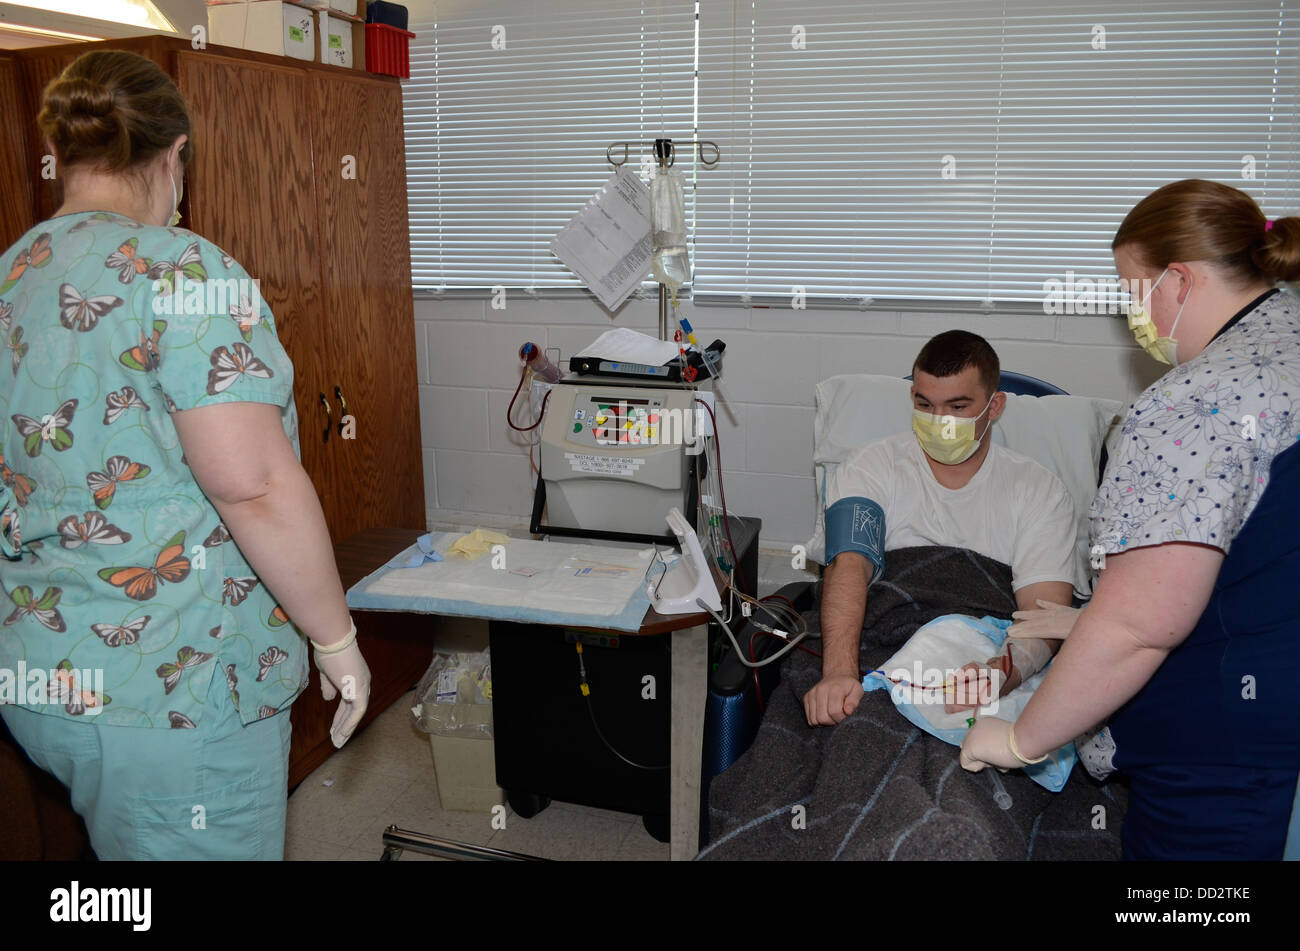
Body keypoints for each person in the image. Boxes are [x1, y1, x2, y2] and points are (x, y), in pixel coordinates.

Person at [0, 50, 369, 860]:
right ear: (174, 158)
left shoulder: (15, 274)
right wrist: (334, 637)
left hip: (46, 673)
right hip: (173, 688)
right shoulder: (184, 271)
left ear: (64, 156)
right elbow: (255, 487)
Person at [961, 179, 1300, 860]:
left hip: (1229, 762)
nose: (1130, 313)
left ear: (1178, 279)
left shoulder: (1191, 405)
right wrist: (1089, 617)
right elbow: (1259, 551)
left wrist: (1022, 736)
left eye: (1131, 289)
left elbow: (1141, 626)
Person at [803, 330, 1078, 727]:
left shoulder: (1039, 491)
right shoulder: (870, 467)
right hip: (880, 646)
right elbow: (848, 566)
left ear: (994, 406)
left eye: (958, 406)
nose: (940, 422)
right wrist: (838, 675)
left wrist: (998, 674)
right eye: (925, 404)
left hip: (983, 656)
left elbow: (1044, 615)